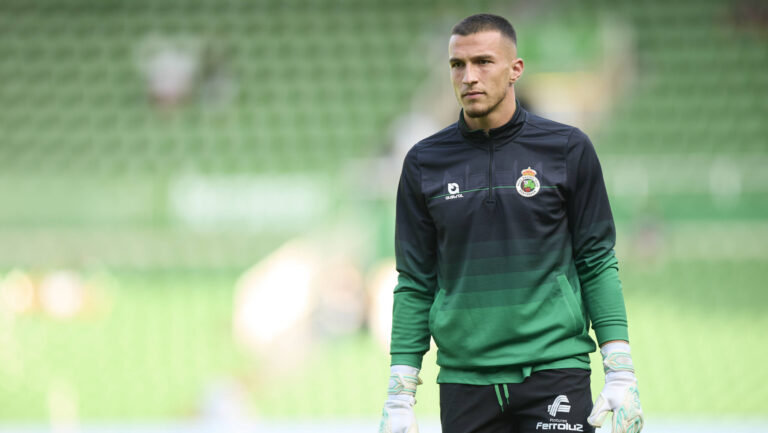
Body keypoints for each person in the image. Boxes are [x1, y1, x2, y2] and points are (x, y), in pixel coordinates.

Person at [378, 14, 644, 433]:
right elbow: (415, 281)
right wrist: (399, 394)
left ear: (515, 69)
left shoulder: (567, 149)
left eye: (483, 62)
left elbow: (596, 260)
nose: (468, 76)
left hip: (554, 369)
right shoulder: (423, 163)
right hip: (466, 382)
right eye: (457, 65)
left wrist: (620, 369)